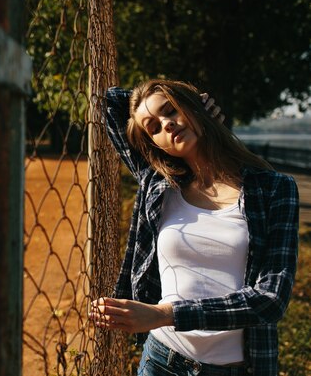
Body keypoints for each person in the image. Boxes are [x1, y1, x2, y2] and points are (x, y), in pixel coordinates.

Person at [89, 80, 299, 375]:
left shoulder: (275, 189)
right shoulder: (159, 184)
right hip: (161, 360)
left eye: (171, 111)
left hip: (234, 369)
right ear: (154, 144)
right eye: (154, 127)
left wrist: (164, 314)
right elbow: (109, 104)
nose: (167, 125)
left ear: (194, 106)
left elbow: (270, 300)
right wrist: (174, 107)